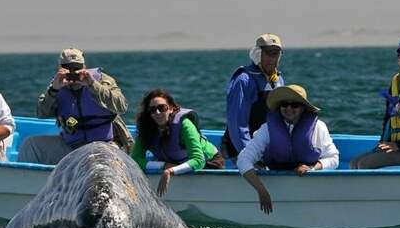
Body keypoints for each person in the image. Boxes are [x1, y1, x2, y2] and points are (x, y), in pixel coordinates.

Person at [18, 47, 133, 164]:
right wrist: (54, 90)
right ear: (60, 68)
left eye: (76, 68)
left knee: (103, 163)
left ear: (84, 67)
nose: (72, 71)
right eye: (67, 67)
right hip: (71, 147)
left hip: (104, 145)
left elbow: (122, 106)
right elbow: (41, 113)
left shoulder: (103, 81)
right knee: (31, 145)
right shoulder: (57, 84)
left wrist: (93, 85)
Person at [237, 85, 339, 213]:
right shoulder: (267, 129)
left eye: (295, 105)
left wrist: (313, 168)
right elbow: (243, 160)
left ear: (303, 108)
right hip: (273, 180)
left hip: (308, 185)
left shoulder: (319, 128)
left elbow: (334, 158)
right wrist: (261, 191)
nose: (289, 108)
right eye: (284, 104)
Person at [131, 89, 224, 196]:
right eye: (152, 110)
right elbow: (135, 160)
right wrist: (164, 166)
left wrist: (170, 171)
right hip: (172, 162)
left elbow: (198, 160)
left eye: (162, 108)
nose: (157, 112)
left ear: (171, 108)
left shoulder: (184, 125)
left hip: (208, 162)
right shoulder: (145, 129)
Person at [351, 38, 400, 169]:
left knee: (364, 164)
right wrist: (383, 142)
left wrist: (399, 145)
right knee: (354, 163)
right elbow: (388, 117)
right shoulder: (395, 81)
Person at [221, 33, 286, 163]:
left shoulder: (279, 80)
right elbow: (238, 124)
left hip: (265, 149)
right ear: (257, 53)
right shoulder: (243, 80)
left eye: (276, 53)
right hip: (241, 152)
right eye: (268, 53)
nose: (272, 58)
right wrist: (250, 157)